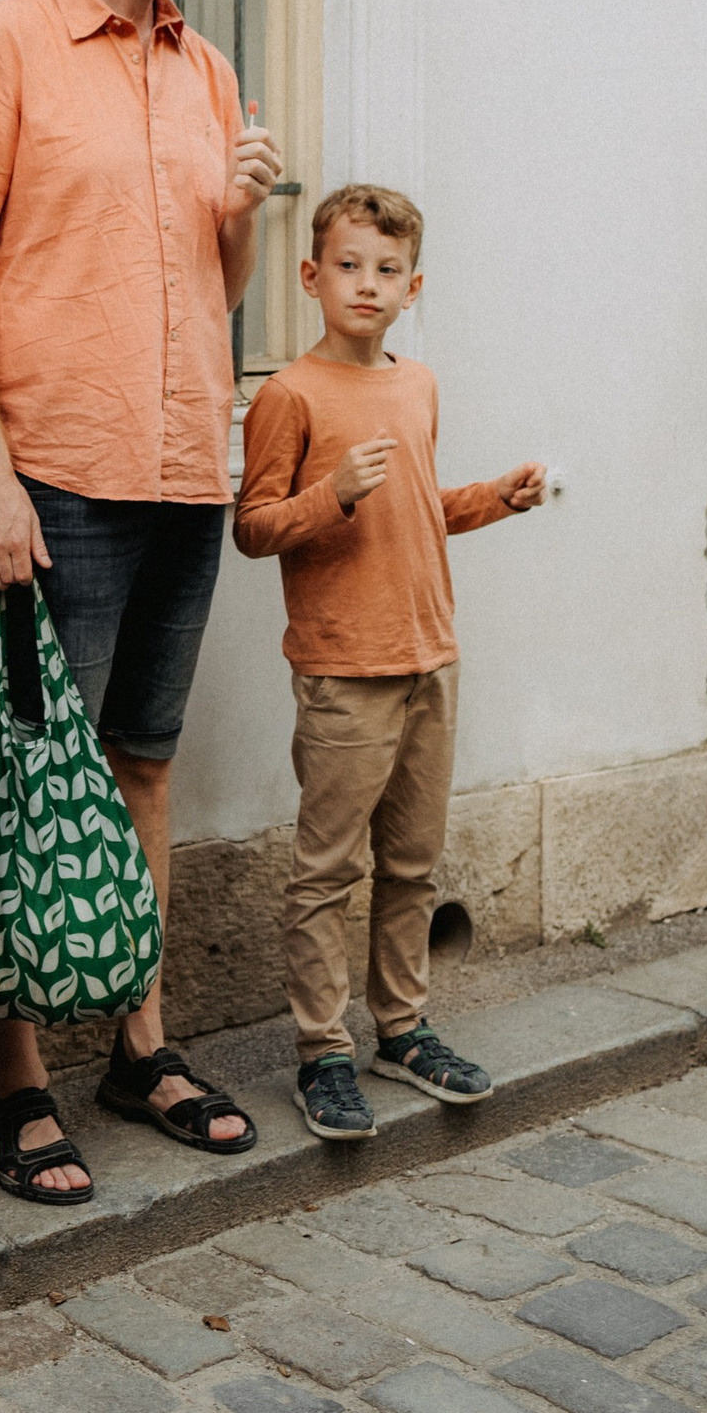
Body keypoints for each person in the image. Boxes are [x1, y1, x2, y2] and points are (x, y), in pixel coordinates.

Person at [0, 0, 279, 1202]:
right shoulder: (3, 42)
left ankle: (140, 1039)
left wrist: (245, 218)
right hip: (53, 472)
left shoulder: (207, 68)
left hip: (187, 464)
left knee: (142, 762)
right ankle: (17, 1084)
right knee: (23, 776)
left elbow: (219, 278)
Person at [233, 185, 547, 1140]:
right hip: (343, 670)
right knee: (327, 869)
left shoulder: (417, 385)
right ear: (311, 274)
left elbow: (416, 508)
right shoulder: (289, 394)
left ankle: (400, 1029)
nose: (364, 285)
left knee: (411, 863)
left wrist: (495, 496)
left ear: (412, 286)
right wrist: (330, 494)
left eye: (385, 270)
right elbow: (252, 530)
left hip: (430, 655)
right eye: (347, 265)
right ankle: (322, 1050)